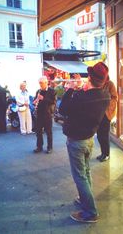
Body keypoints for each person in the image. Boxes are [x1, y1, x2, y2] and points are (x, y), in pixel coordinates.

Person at [59, 62, 110, 223]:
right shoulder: (105, 95)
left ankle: (90, 212)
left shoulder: (82, 97)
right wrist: (82, 88)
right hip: (89, 139)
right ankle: (84, 199)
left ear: (90, 78)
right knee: (86, 172)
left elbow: (63, 110)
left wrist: (71, 89)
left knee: (80, 176)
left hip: (77, 141)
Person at [33, 76, 56, 154]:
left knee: (48, 132)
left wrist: (43, 99)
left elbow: (53, 102)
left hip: (48, 114)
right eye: (39, 83)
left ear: (46, 83)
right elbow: (35, 100)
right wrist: (35, 101)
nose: (40, 85)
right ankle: (39, 146)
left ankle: (50, 147)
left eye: (42, 83)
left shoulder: (52, 91)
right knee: (38, 132)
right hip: (39, 114)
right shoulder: (38, 91)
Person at [96, 78, 118, 162]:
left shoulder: (110, 84)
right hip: (98, 113)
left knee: (104, 135)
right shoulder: (98, 83)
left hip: (106, 113)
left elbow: (115, 97)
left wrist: (108, 109)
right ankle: (103, 153)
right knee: (99, 135)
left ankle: (106, 154)